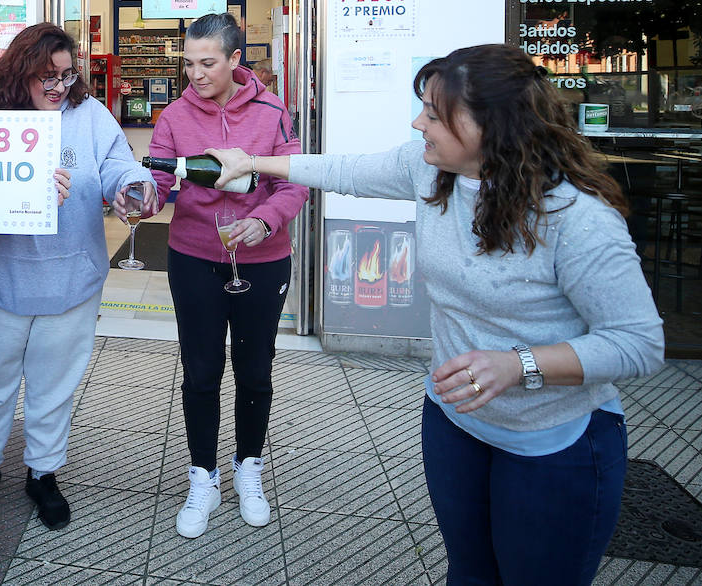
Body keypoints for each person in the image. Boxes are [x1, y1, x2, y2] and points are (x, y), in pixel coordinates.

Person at [206, 43, 665, 586]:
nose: (416, 121)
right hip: (454, 423)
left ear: (490, 125)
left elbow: (638, 343)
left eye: (433, 113)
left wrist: (518, 365)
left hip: (555, 443)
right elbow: (344, 170)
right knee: (469, 573)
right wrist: (253, 162)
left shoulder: (577, 218)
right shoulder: (429, 173)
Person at [0, 23, 157, 531]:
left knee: (54, 386)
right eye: (46, 76)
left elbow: (116, 164)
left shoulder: (89, 116)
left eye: (67, 75)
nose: (58, 87)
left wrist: (134, 186)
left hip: (72, 280)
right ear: (20, 71)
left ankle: (43, 472)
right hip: (0, 281)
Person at [147, 12, 308, 539]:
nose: (195, 74)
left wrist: (266, 219)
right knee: (199, 368)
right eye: (188, 63)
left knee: (255, 368)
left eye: (207, 63)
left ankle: (248, 467)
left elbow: (297, 182)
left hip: (263, 258)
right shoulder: (173, 115)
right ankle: (203, 475)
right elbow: (157, 184)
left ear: (235, 59)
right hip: (194, 256)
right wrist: (138, 197)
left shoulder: (271, 111)